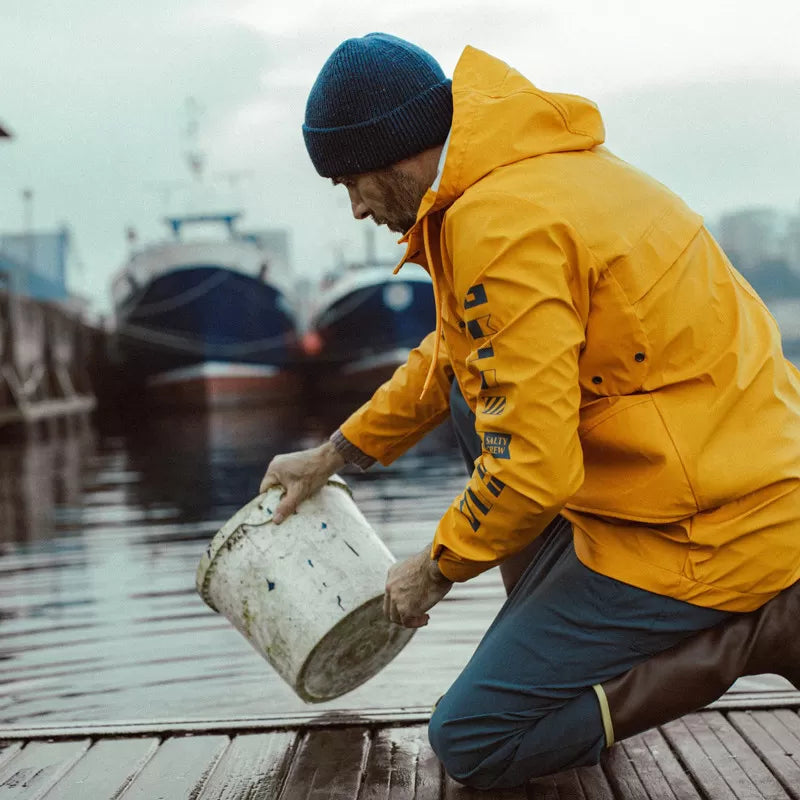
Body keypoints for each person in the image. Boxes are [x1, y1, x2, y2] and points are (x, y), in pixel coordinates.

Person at [260, 33, 800, 789]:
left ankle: (765, 631)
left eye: (351, 181)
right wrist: (336, 455)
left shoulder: (500, 227)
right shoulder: (522, 173)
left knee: (474, 740)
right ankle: (568, 665)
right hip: (716, 469)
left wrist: (434, 568)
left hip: (715, 525)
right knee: (466, 398)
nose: (354, 208)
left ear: (395, 154)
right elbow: (455, 352)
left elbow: (534, 467)